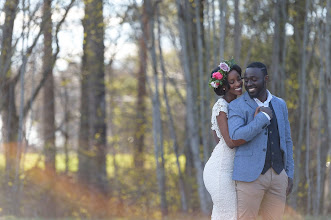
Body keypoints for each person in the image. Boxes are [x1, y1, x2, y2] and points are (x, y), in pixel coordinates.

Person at [228, 62, 294, 220]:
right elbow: (236, 136)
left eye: (254, 79)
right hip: (249, 177)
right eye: (246, 79)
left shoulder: (280, 104)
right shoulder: (237, 105)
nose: (249, 83)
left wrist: (288, 174)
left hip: (278, 176)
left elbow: (287, 140)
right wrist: (262, 119)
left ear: (266, 79)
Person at [203, 59, 257, 220]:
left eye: (239, 79)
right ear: (224, 86)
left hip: (231, 172)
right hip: (219, 172)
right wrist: (255, 125)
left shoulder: (238, 105)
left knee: (222, 215)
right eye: (232, 81)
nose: (238, 83)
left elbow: (217, 137)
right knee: (232, 215)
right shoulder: (221, 106)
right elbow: (229, 142)